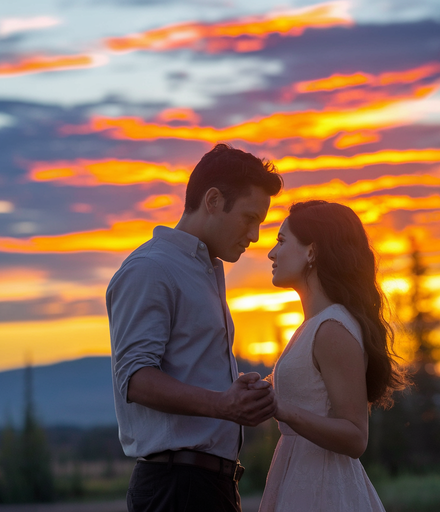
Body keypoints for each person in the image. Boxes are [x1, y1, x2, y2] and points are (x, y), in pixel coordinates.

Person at [106, 143, 283, 512]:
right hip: (176, 489)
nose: (255, 236)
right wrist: (223, 404)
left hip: (206, 486)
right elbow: (135, 379)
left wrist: (236, 392)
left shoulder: (203, 271)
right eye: (250, 218)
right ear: (214, 200)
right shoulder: (152, 269)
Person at [258, 200, 407, 512]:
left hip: (324, 490)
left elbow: (355, 436)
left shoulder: (332, 329)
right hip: (301, 478)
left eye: (282, 241)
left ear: (312, 252)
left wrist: (283, 409)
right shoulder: (313, 327)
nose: (272, 253)